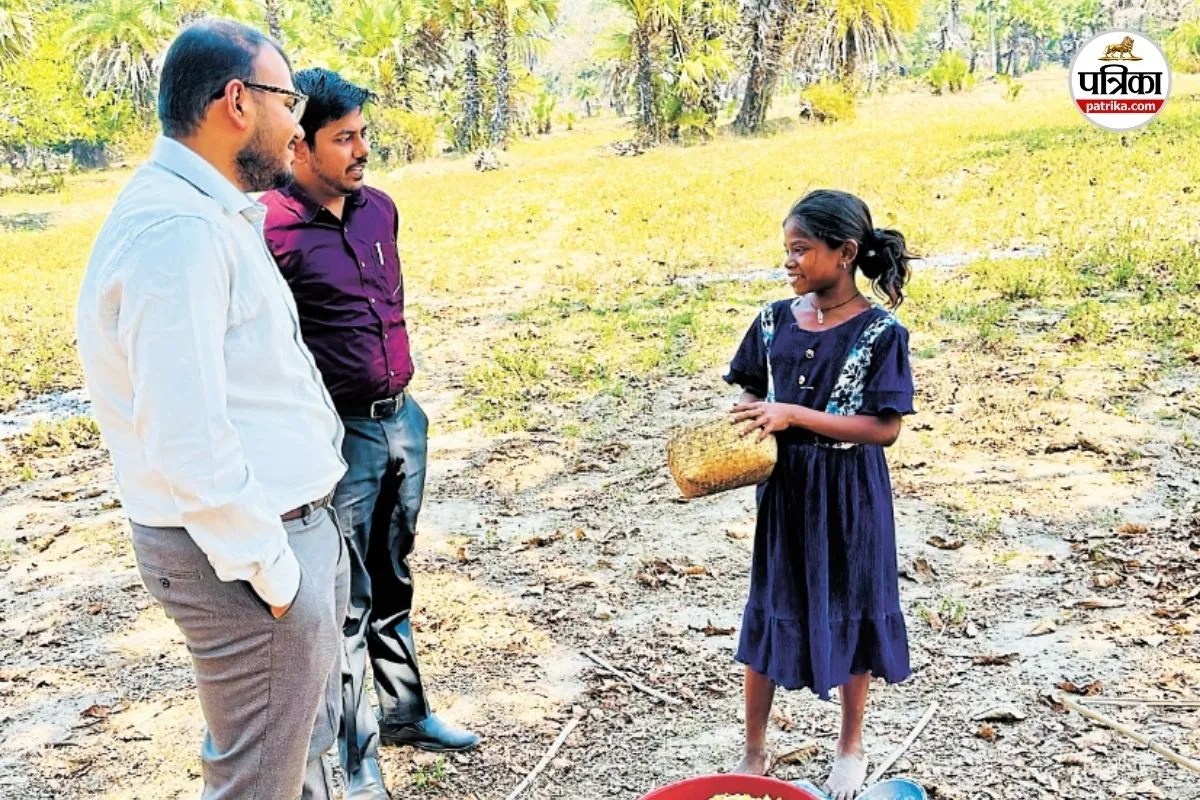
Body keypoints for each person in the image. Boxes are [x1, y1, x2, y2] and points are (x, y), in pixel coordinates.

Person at [74, 20, 349, 799]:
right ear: (237, 101)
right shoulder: (177, 232)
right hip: (244, 555)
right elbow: (185, 439)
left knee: (297, 755)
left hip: (275, 538)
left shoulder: (207, 211)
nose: (296, 125)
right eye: (288, 102)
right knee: (259, 780)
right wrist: (276, 576)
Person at [262, 67, 480, 800]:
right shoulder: (268, 230)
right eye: (343, 138)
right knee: (347, 601)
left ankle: (406, 714)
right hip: (340, 438)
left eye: (363, 134)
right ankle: (357, 767)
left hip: (402, 422)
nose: (361, 150)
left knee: (393, 577)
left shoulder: (379, 209)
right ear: (299, 145)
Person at [725, 189, 916, 800]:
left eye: (802, 249)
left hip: (850, 492)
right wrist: (753, 413)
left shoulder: (881, 333)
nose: (790, 261)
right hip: (785, 490)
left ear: (846, 253)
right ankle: (753, 751)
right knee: (772, 602)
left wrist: (794, 415)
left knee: (853, 606)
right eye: (787, 249)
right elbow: (751, 386)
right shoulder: (774, 320)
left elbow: (883, 428)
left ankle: (850, 746)